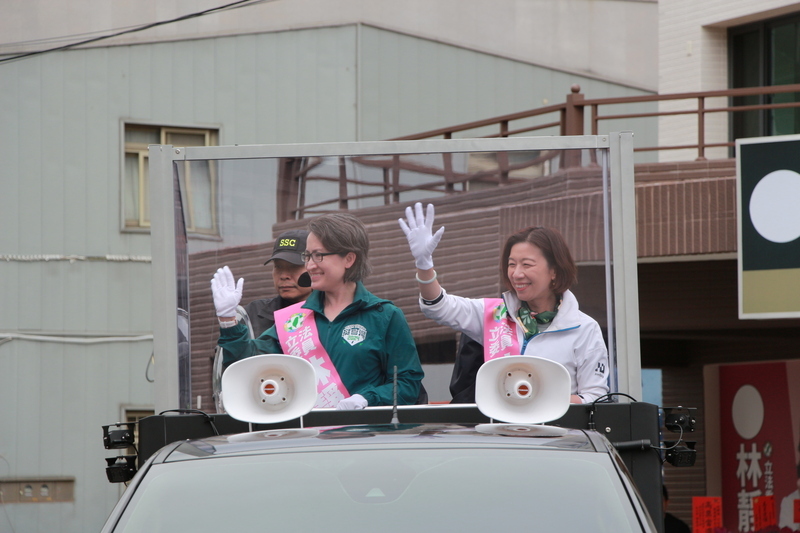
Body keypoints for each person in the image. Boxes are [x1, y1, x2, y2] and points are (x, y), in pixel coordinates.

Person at [398, 202, 609, 404]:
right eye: (511, 264)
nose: (517, 274)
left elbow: (594, 398)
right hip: (500, 436)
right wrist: (424, 265)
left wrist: (537, 399)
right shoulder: (494, 314)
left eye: (527, 265)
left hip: (556, 437)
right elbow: (438, 307)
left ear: (554, 270)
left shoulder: (584, 329)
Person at [212, 212, 424, 410]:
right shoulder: (294, 319)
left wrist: (367, 398)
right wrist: (228, 321)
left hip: (365, 438)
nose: (310, 265)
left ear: (349, 259)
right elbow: (248, 366)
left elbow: (408, 385)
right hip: (307, 441)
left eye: (318, 256)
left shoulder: (384, 316)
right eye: (307, 256)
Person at [244, 229, 313, 336]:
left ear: (315, 267)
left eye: (294, 267)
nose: (284, 276)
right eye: (278, 266)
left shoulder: (332, 313)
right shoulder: (254, 313)